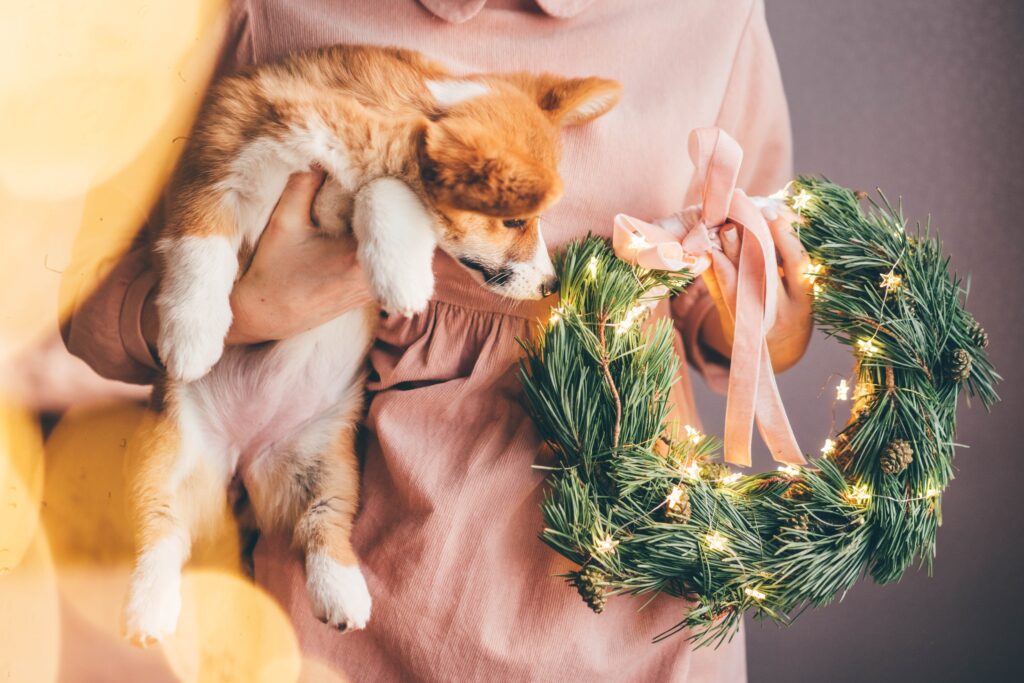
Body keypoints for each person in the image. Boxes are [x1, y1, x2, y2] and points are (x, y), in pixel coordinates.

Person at [62, 0, 812, 679]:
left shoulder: (714, 18)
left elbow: (750, 336)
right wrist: (251, 309)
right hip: (339, 588)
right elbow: (79, 303)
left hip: (630, 591)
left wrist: (764, 304)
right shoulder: (264, 12)